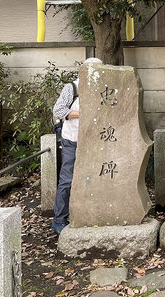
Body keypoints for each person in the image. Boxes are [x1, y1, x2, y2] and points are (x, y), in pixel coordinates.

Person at [51, 57, 102, 234]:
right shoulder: (72, 87)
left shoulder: (101, 87)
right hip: (72, 139)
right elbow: (58, 110)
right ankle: (59, 219)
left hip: (93, 142)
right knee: (67, 179)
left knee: (92, 178)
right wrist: (81, 114)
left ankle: (87, 214)